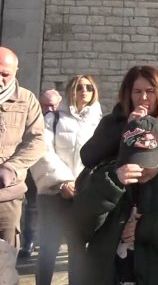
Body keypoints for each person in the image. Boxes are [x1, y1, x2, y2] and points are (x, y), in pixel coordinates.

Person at [72, 116, 158, 284]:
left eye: (147, 161)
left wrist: (149, 226)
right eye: (133, 158)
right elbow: (79, 228)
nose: (140, 168)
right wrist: (110, 186)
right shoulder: (104, 178)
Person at [31, 75, 102, 285]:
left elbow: (101, 157)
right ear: (71, 90)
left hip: (83, 193)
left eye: (89, 87)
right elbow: (42, 151)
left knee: (77, 248)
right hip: (54, 194)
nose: (84, 91)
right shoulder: (53, 119)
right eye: (79, 87)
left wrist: (85, 185)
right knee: (48, 247)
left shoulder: (99, 122)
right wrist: (62, 181)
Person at [81, 65, 158, 180]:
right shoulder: (112, 122)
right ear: (129, 94)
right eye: (137, 92)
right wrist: (128, 128)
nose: (143, 97)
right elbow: (88, 158)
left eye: (150, 91)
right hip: (120, 194)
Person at [0, 47, 44, 249]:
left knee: (5, 260)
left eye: (5, 74)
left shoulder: (27, 101)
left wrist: (11, 168)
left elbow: (37, 141)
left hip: (8, 194)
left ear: (16, 71)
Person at [17, 89, 60, 258]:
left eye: (53, 105)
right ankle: (29, 242)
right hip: (34, 167)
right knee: (33, 206)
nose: (49, 109)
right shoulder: (33, 118)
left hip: (56, 170)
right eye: (46, 105)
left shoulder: (61, 120)